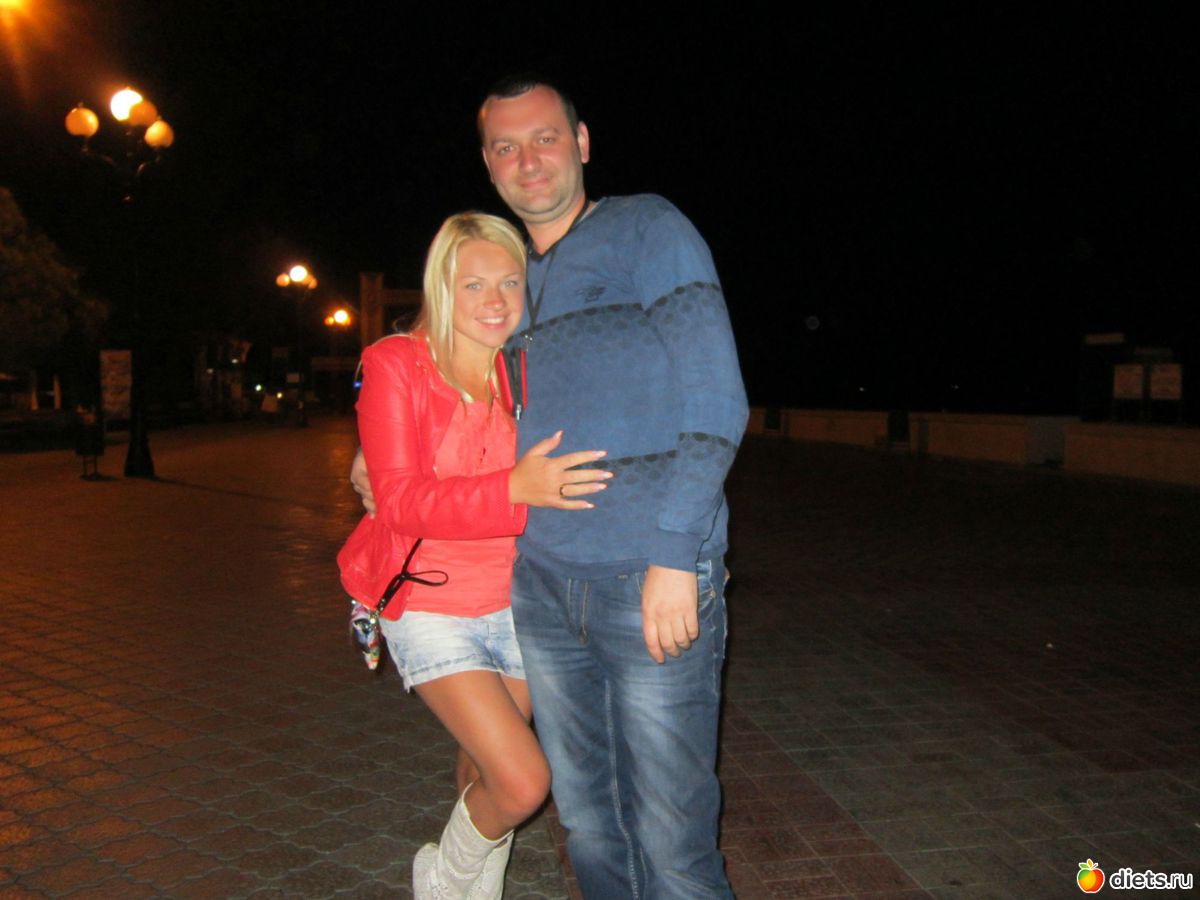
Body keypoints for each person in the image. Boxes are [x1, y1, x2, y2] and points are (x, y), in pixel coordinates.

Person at [355, 77, 747, 898]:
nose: (528, 160)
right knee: (590, 823)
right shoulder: (513, 281)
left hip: (646, 578)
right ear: (488, 165)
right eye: (506, 147)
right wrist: (373, 455)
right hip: (538, 588)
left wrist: (675, 554)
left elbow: (716, 401)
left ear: (582, 143)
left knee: (672, 834)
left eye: (545, 138)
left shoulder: (648, 228)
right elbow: (441, 368)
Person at [339, 212, 611, 900]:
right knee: (523, 781)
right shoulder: (396, 363)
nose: (495, 300)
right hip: (428, 602)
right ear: (441, 287)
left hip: (517, 602)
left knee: (484, 767)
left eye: (510, 282)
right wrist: (514, 488)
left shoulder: (529, 368)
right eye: (474, 285)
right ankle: (443, 879)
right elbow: (399, 501)